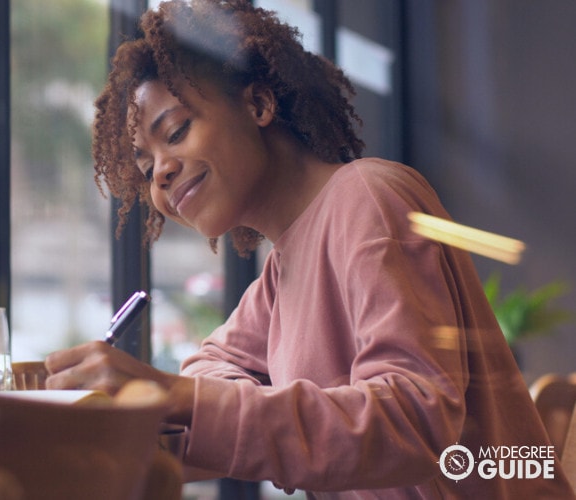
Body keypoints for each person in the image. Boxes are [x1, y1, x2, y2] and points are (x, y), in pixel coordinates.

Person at [45, 1, 575, 497]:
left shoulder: (368, 197)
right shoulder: (281, 273)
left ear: (258, 103)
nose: (160, 172)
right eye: (145, 168)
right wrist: (159, 407)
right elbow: (208, 371)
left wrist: (180, 399)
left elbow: (417, 420)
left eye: (177, 130)